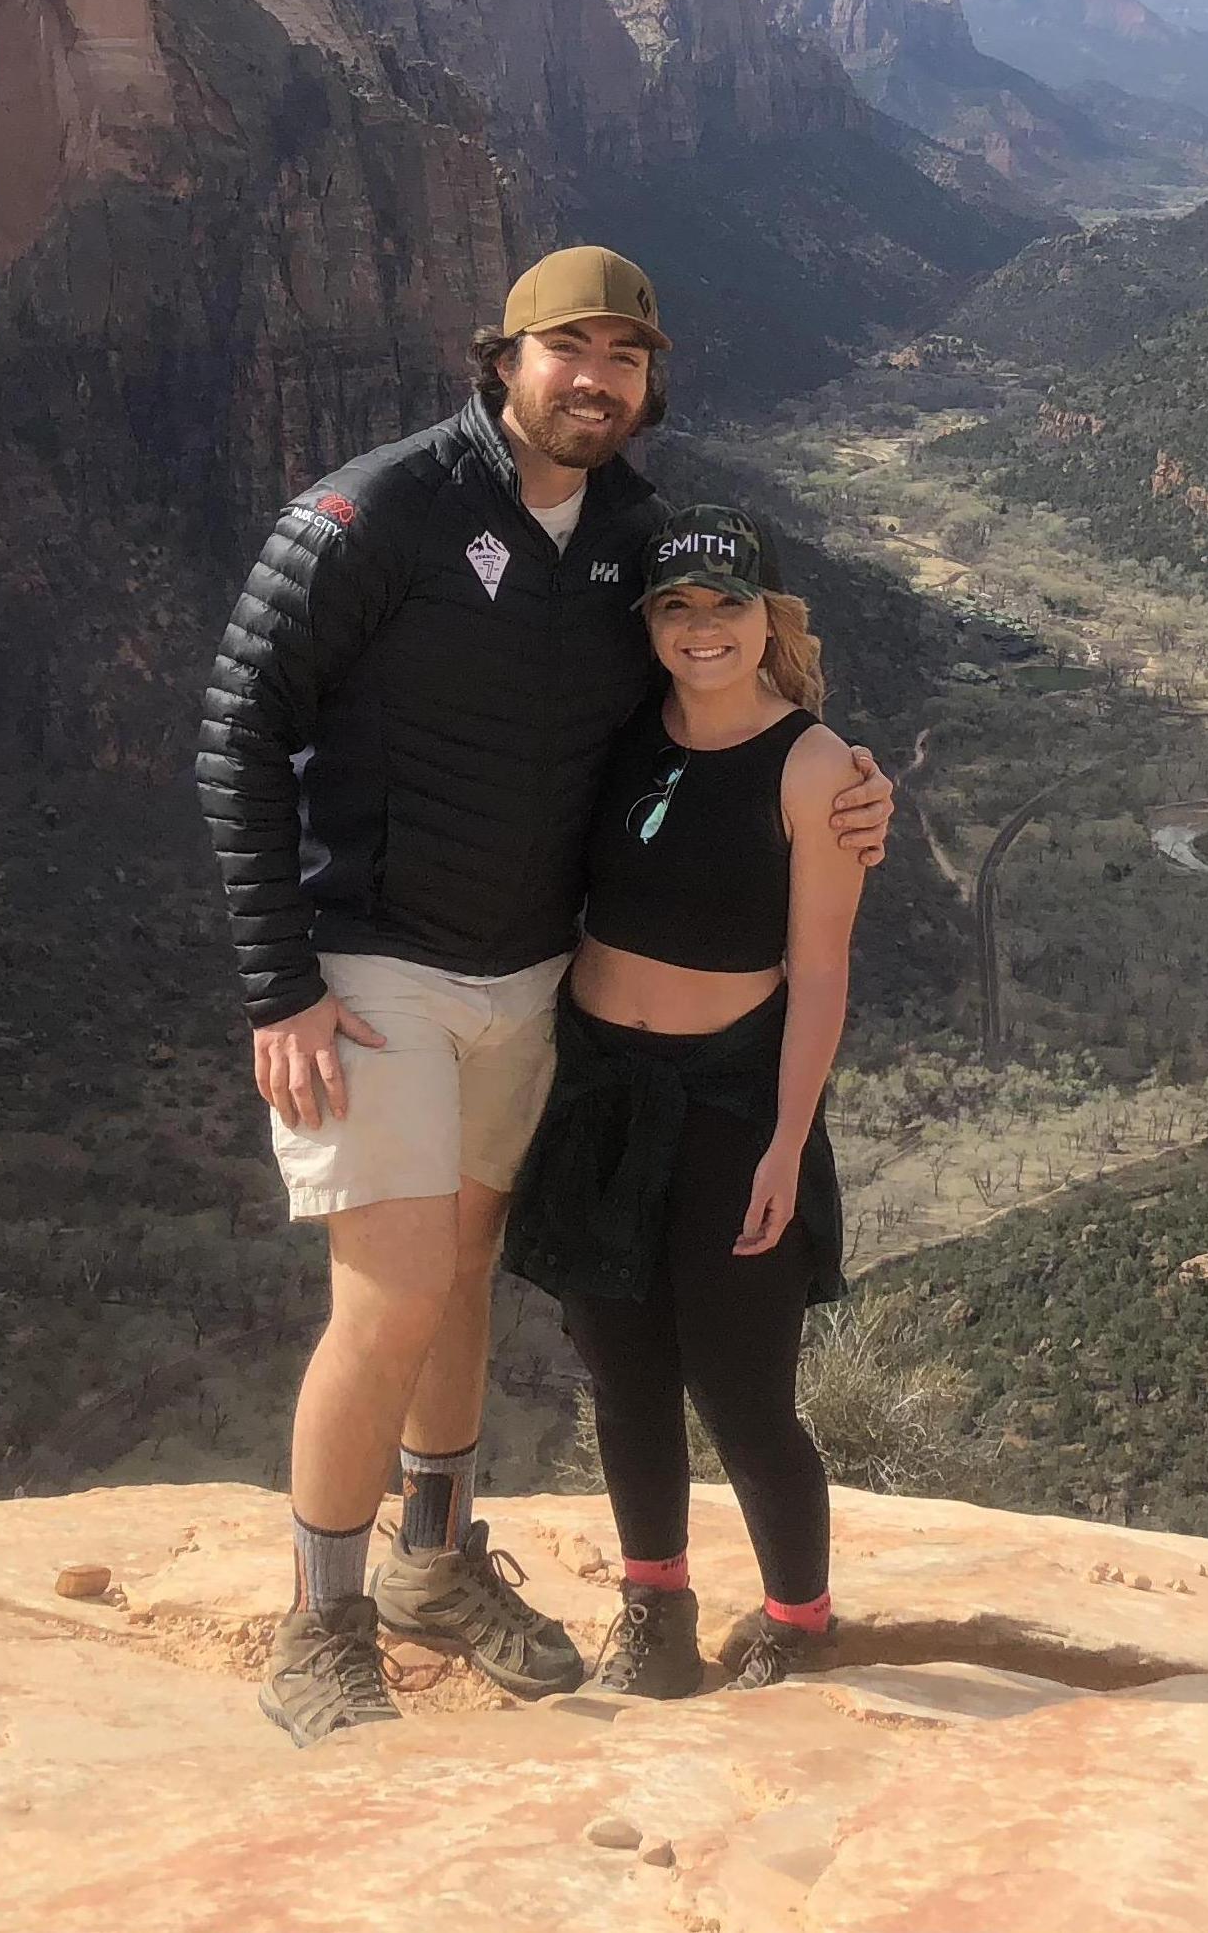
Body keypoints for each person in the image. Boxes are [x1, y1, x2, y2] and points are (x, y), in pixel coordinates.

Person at [195, 248, 892, 1745]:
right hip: (370, 962)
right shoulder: (380, 510)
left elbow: (711, 700)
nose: (595, 377)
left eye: (624, 355)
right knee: (386, 1297)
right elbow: (238, 725)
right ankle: (318, 1627)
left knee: (457, 1277)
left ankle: (431, 1567)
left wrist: (842, 780)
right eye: (564, 347)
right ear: (497, 359)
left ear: (649, 383)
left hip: (527, 976)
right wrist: (279, 982)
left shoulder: (633, 535)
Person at [504, 505, 859, 1698]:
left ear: (770, 618)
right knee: (624, 1370)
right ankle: (653, 1603)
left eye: (726, 604)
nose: (702, 628)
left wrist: (785, 1142)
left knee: (741, 1384)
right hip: (600, 1086)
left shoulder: (811, 765)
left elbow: (818, 971)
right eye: (675, 605)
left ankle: (797, 1616)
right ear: (649, 623)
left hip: (728, 1099)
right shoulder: (623, 734)